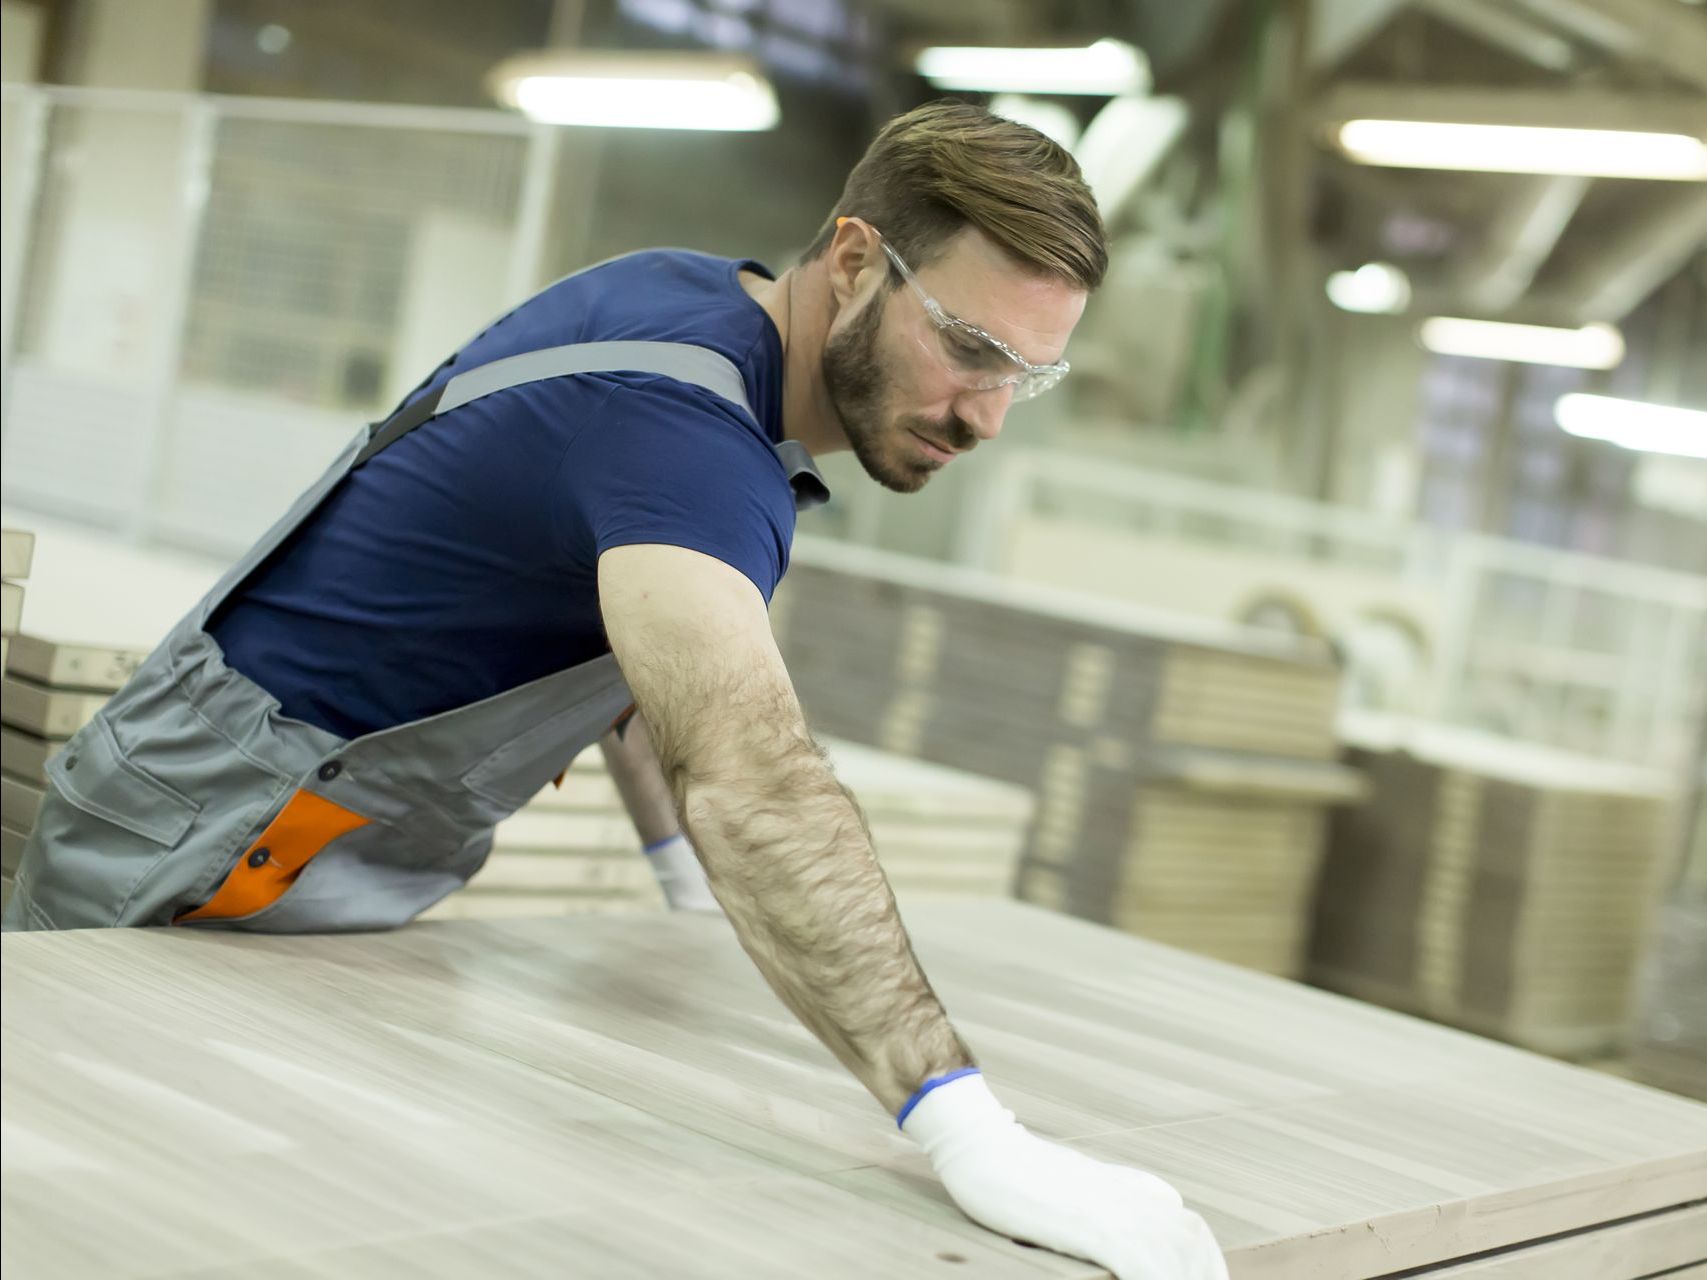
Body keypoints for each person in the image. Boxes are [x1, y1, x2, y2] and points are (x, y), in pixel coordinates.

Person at [3, 100, 1227, 1279]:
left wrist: (683, 889)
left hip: (285, 835)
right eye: (970, 349)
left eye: (1029, 375)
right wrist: (968, 1128)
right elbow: (755, 779)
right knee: (88, 1210)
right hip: (211, 834)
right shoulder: (682, 440)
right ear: (856, 259)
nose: (990, 417)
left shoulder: (697, 305)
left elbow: (643, 662)